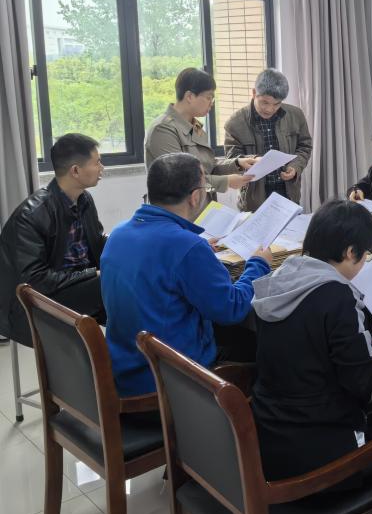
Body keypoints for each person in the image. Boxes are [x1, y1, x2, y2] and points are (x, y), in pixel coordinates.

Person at [250, 200, 372, 480]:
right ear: (350, 252)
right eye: (366, 255)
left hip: (270, 439)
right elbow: (366, 380)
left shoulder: (279, 280)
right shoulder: (337, 297)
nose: (364, 262)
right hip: (321, 453)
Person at [101, 153, 272, 396]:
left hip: (126, 368)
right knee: (271, 348)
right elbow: (231, 309)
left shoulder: (119, 233)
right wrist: (258, 264)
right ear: (195, 197)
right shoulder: (186, 246)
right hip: (169, 380)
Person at [0, 134, 107, 346]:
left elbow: (96, 243)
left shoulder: (84, 200)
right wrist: (92, 274)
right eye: (97, 162)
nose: (102, 168)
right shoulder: (33, 214)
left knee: (129, 276)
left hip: (77, 286)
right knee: (114, 284)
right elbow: (35, 281)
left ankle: (131, 351)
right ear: (75, 171)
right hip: (40, 301)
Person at [145, 67, 256, 198]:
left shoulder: (195, 127)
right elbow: (180, 180)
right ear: (190, 96)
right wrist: (226, 182)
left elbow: (208, 167)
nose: (211, 104)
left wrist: (237, 163)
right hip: (177, 207)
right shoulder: (163, 130)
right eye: (209, 98)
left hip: (201, 205)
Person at [224, 68, 313, 211]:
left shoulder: (296, 115)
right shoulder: (234, 123)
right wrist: (253, 160)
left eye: (276, 104)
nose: (270, 109)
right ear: (254, 93)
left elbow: (305, 146)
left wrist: (295, 167)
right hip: (254, 198)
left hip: (288, 193)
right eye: (264, 102)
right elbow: (232, 160)